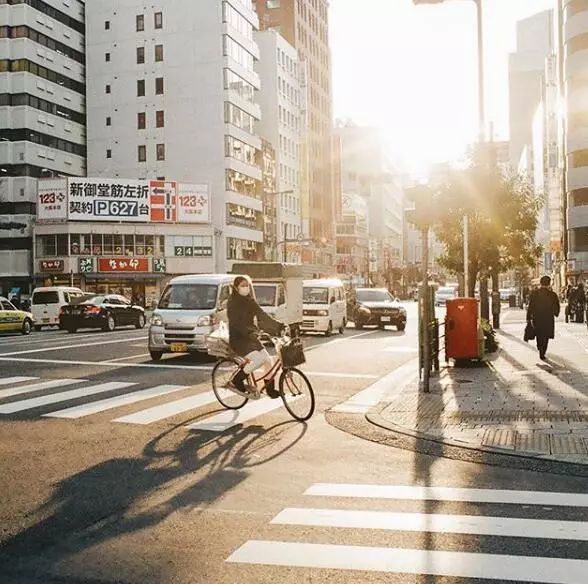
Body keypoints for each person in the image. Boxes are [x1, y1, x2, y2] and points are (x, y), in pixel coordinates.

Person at [227, 276, 283, 398]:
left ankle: (270, 389)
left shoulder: (249, 301)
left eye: (247, 285)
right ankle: (237, 380)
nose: (245, 288)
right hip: (239, 340)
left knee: (269, 360)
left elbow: (262, 315)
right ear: (236, 288)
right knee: (259, 360)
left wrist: (279, 326)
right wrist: (249, 333)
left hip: (251, 338)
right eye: (242, 285)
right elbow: (236, 324)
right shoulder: (232, 303)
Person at [526, 275, 560, 361]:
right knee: (546, 335)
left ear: (540, 283)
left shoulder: (535, 293)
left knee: (539, 334)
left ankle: (540, 348)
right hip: (548, 318)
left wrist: (528, 317)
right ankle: (543, 351)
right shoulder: (552, 295)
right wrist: (555, 313)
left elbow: (530, 306)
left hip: (537, 318)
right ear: (549, 284)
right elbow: (557, 306)